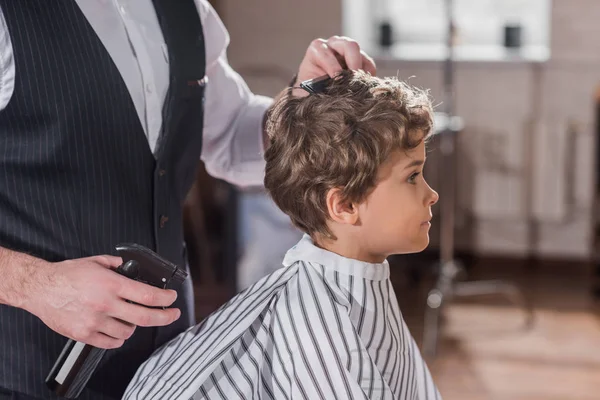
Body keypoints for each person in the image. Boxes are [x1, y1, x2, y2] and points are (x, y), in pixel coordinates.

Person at [0, 1, 376, 399]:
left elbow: (231, 131)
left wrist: (302, 104)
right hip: (27, 368)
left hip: (169, 368)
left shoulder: (186, 10)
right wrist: (38, 286)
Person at [123, 70, 442, 400]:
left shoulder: (351, 285)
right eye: (412, 177)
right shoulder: (321, 325)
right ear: (344, 204)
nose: (431, 194)